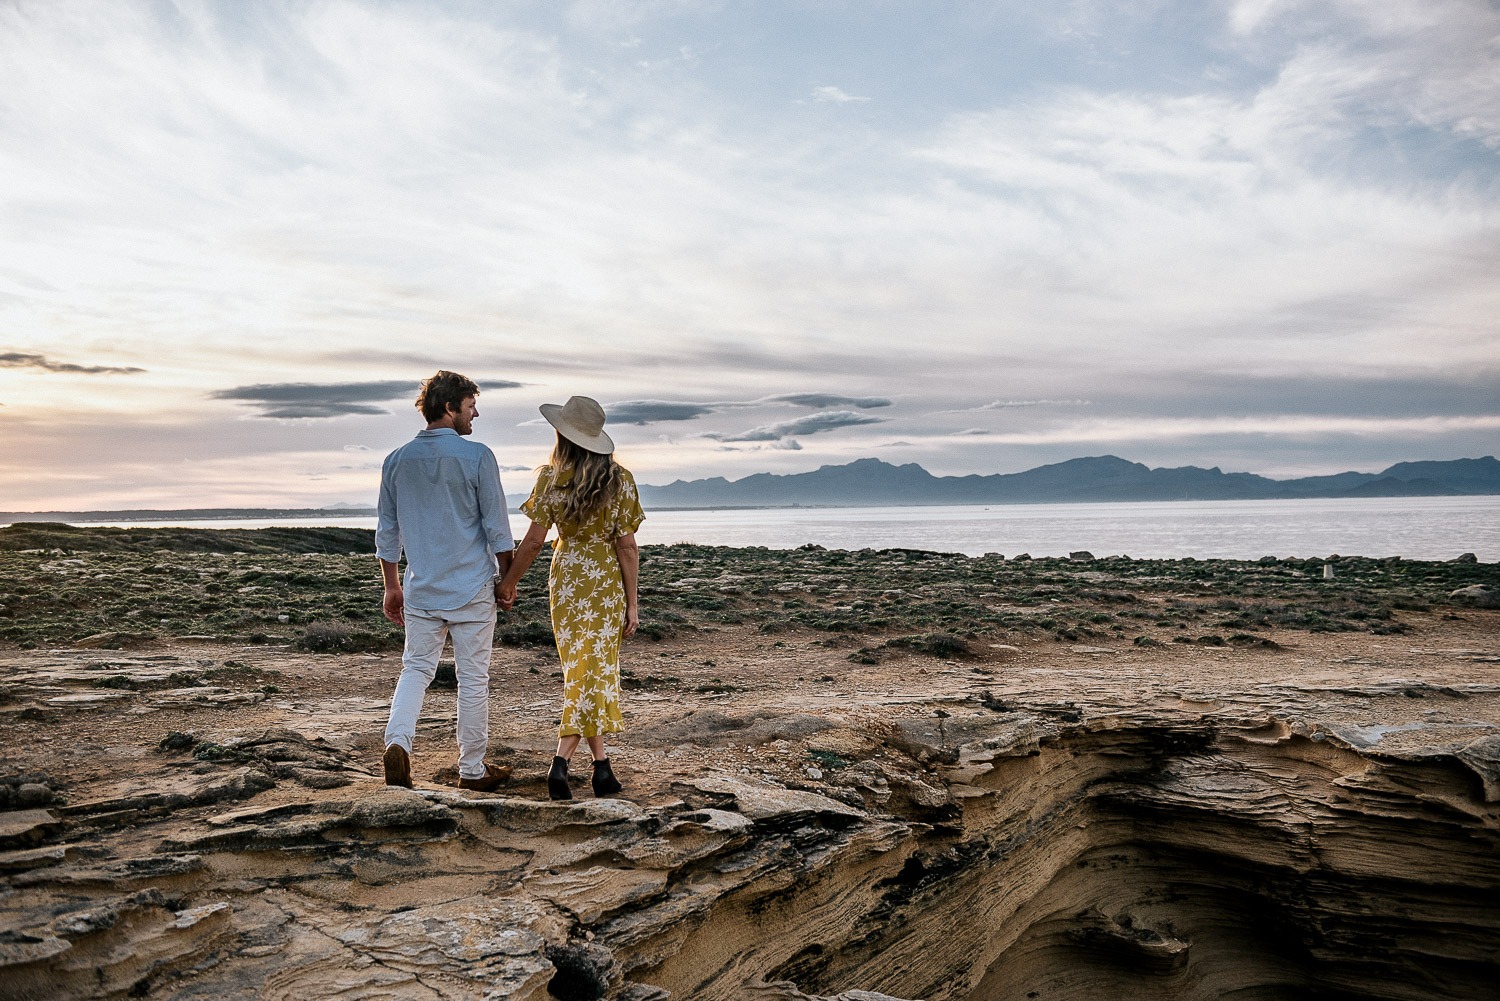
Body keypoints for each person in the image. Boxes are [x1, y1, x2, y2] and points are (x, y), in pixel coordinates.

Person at [497, 395, 643, 800]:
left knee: (582, 670)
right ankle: (564, 765)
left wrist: (509, 582)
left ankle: (600, 768)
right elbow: (627, 547)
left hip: (566, 578)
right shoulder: (620, 480)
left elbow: (532, 541)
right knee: (591, 670)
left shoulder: (550, 478)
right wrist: (632, 603)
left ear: (563, 435)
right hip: (605, 582)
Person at [376, 370, 515, 792]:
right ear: (450, 407)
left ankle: (398, 742)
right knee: (473, 679)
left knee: (416, 669)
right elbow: (498, 528)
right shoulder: (477, 456)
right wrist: (507, 580)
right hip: (472, 589)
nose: (476, 414)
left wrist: (392, 585)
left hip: (421, 589)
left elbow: (387, 531)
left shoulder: (396, 460)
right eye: (471, 406)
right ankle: (472, 769)